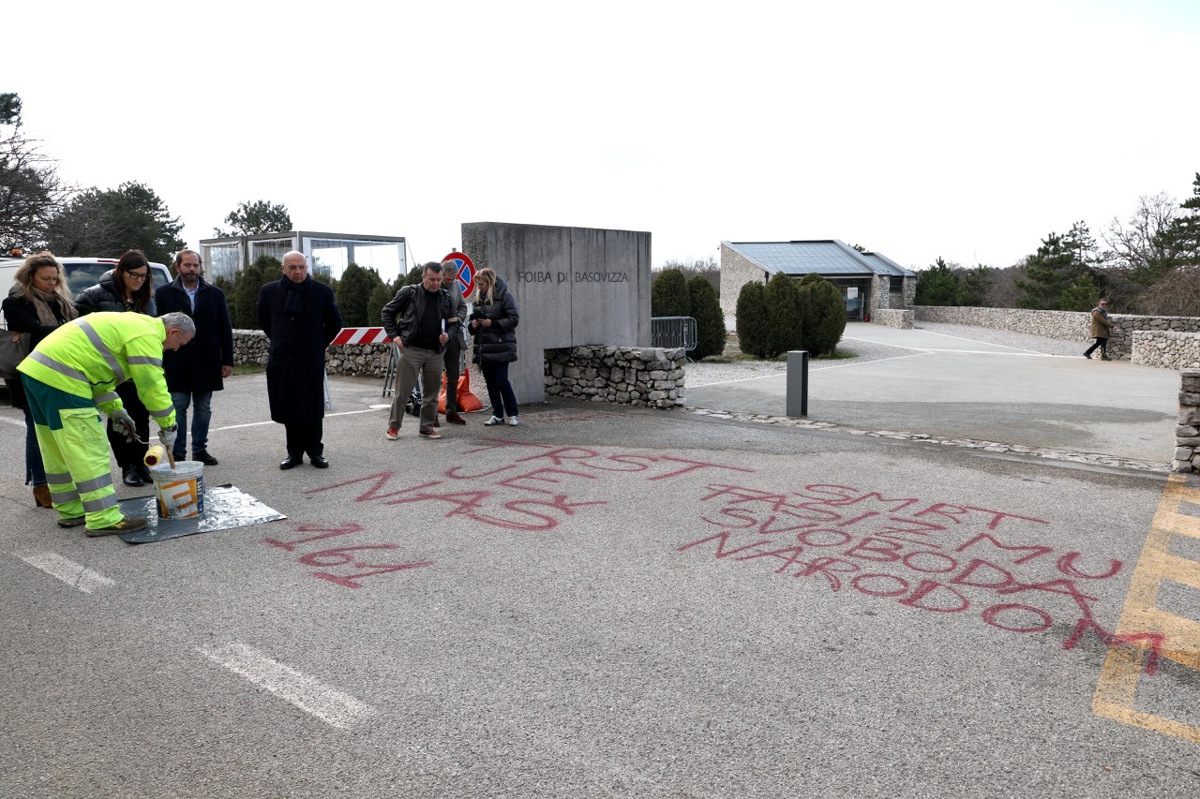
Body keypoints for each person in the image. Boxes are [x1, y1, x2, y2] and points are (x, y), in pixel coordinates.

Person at [16, 312, 191, 536]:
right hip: (64, 377)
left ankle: (71, 510)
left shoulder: (133, 325)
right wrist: (169, 425)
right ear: (173, 332)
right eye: (179, 344)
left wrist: (116, 410)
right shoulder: (147, 336)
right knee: (89, 447)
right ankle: (102, 518)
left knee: (56, 447)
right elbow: (151, 386)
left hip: (38, 372)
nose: (175, 349)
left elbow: (99, 374)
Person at [75, 250, 160, 487]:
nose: (139, 280)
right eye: (134, 275)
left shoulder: (147, 299)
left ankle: (142, 463)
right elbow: (77, 331)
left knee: (142, 417)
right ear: (121, 271)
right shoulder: (93, 295)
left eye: (143, 276)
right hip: (110, 370)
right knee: (120, 419)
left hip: (138, 368)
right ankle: (128, 466)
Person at [2, 252, 79, 509]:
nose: (51, 283)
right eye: (45, 279)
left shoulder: (60, 301)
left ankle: (62, 482)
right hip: (29, 374)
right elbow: (36, 331)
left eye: (54, 279)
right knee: (37, 429)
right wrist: (73, 331)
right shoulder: (15, 301)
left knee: (60, 428)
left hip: (60, 371)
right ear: (30, 277)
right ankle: (41, 485)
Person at [256, 251, 343, 470]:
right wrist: (282, 341)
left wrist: (317, 344)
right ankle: (293, 453)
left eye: (302, 267)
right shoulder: (269, 292)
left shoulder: (322, 292)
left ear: (307, 267)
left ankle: (315, 452)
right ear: (283, 269)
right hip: (282, 359)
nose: (298, 272)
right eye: (293, 267)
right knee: (288, 406)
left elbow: (335, 323)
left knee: (312, 406)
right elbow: (265, 320)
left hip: (309, 359)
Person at [155, 249, 234, 466]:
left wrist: (227, 360)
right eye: (187, 265)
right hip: (175, 360)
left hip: (207, 360)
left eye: (195, 265)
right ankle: (179, 453)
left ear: (200, 267)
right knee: (178, 406)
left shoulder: (215, 294)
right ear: (177, 266)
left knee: (203, 408)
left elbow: (224, 328)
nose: (192, 269)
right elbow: (157, 328)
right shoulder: (163, 293)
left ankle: (200, 450)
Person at [380, 262, 451, 440]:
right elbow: (387, 312)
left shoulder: (445, 296)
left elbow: (452, 322)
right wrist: (394, 336)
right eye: (432, 279)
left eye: (439, 280)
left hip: (435, 351)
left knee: (432, 393)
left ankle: (427, 427)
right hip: (412, 348)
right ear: (423, 277)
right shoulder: (409, 292)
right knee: (403, 391)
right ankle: (393, 427)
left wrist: (448, 335)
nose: (436, 283)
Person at [470, 268, 520, 426]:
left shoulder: (505, 297)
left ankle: (513, 414)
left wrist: (493, 323)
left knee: (501, 381)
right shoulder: (478, 299)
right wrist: (473, 325)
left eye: (481, 284)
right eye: (477, 284)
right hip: (484, 348)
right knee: (490, 383)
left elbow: (514, 319)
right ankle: (497, 414)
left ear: (490, 282)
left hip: (501, 346)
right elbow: (471, 326)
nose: (479, 287)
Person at [440, 259, 469, 426]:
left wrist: (458, 319)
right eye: (447, 279)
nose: (449, 282)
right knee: (432, 375)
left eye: (452, 279)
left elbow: (463, 307)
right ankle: (431, 414)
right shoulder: (433, 285)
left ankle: (451, 411)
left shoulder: (456, 286)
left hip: (453, 336)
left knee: (453, 375)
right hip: (436, 337)